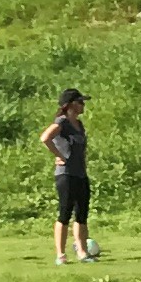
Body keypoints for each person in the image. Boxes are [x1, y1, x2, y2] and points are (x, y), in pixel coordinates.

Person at [46, 88, 97, 263]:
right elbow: (45, 137)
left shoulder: (79, 125)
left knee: (82, 213)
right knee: (65, 212)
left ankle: (82, 252)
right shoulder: (62, 122)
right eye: (80, 102)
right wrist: (58, 155)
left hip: (80, 174)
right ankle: (60, 254)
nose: (83, 106)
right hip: (65, 174)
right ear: (71, 105)